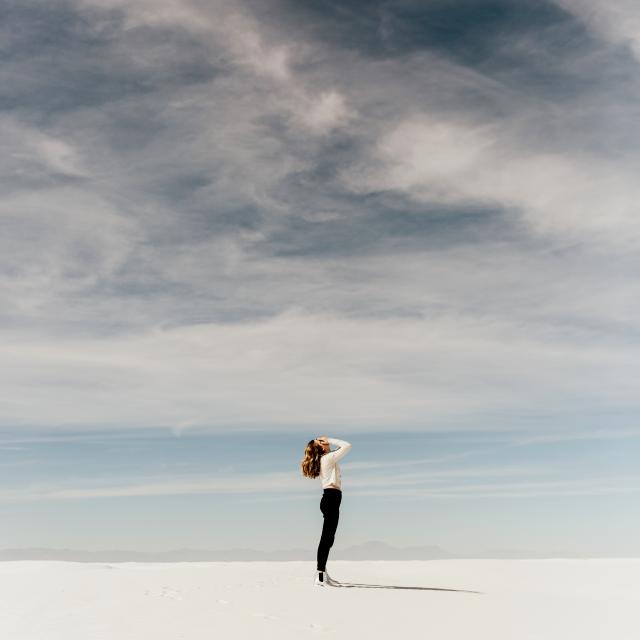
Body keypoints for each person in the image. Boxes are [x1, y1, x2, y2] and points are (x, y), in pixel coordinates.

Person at [300, 435, 352, 587]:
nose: (325, 442)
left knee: (329, 539)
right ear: (321, 447)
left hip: (331, 499)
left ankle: (323, 573)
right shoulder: (327, 458)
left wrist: (326, 443)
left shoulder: (326, 458)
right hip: (331, 498)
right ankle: (320, 576)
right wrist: (330, 439)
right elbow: (347, 445)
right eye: (321, 441)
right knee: (326, 538)